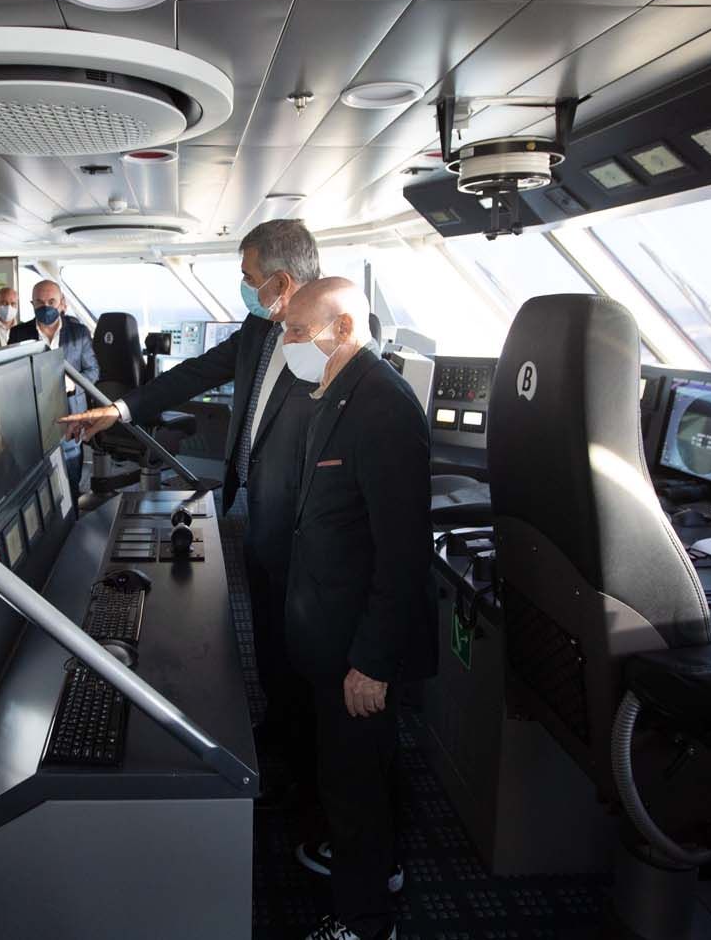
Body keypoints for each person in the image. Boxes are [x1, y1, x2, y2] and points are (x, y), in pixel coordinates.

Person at [60, 217, 323, 805]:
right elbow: (194, 373)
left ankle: (312, 774)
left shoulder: (332, 340)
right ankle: (277, 731)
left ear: (280, 279)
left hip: (308, 526)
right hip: (256, 506)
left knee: (306, 649)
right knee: (267, 632)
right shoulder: (259, 330)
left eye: (247, 276)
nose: (242, 284)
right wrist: (120, 410)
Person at [279, 278, 436, 940]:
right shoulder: (336, 392)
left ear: (342, 328)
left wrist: (370, 663)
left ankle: (365, 922)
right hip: (331, 633)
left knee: (354, 787)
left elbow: (402, 554)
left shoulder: (384, 406)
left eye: (296, 331)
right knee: (359, 771)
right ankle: (379, 867)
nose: (288, 344)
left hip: (357, 650)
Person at [9, 279, 98, 497]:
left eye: (51, 301)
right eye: (40, 302)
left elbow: (93, 371)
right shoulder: (19, 334)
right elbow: (11, 376)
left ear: (62, 304)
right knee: (36, 484)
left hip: (70, 418)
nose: (46, 306)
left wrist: (73, 383)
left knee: (71, 477)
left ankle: (74, 519)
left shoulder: (79, 333)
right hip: (32, 420)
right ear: (32, 304)